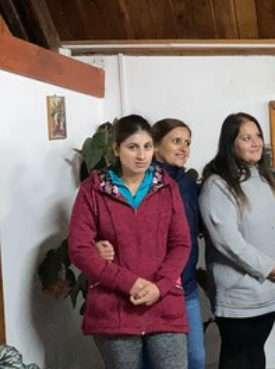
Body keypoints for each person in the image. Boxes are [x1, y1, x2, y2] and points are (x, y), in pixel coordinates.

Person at [68, 114, 191, 369]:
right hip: (115, 309)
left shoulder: (167, 188)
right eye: (132, 147)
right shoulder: (93, 189)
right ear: (116, 149)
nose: (141, 155)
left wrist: (161, 286)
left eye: (147, 147)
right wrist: (129, 283)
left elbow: (181, 244)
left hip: (164, 304)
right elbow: (79, 249)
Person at [96, 118, 205, 369]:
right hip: (140, 286)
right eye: (176, 141)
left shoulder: (187, 184)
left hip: (181, 285)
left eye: (187, 143)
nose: (183, 148)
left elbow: (185, 237)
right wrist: (96, 246)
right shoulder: (130, 183)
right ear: (157, 146)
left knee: (195, 358)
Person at [199, 112, 275, 369]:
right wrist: (269, 267)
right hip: (239, 294)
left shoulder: (272, 179)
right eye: (246, 138)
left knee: (256, 354)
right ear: (230, 144)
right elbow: (228, 242)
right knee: (238, 358)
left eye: (258, 136)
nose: (256, 143)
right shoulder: (218, 185)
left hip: (272, 288)